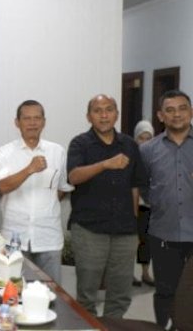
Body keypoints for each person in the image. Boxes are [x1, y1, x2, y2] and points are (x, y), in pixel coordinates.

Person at [67, 94, 148, 318]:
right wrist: (105, 164)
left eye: (109, 109)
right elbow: (73, 177)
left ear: (116, 114)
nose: (104, 115)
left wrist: (134, 223)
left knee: (121, 291)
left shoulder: (130, 145)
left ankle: (112, 325)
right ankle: (89, 326)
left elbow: (135, 186)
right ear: (88, 116)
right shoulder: (80, 143)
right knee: (87, 291)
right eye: (98, 110)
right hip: (89, 228)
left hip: (125, 229)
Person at [0, 100, 73, 282]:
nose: (32, 123)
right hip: (14, 235)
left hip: (49, 235)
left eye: (37, 118)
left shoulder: (57, 151)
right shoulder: (4, 153)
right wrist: (29, 169)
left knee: (52, 294)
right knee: (13, 291)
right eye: (27, 118)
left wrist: (46, 208)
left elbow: (61, 188)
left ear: (44, 122)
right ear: (17, 122)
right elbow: (2, 187)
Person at [140, 90, 193, 328]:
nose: (177, 114)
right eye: (170, 110)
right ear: (161, 116)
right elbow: (142, 187)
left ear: (190, 112)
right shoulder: (148, 150)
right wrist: (160, 199)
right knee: (165, 291)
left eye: (182, 108)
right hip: (163, 232)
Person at [132, 120, 155, 287]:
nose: (145, 141)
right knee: (132, 240)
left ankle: (146, 273)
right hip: (131, 205)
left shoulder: (156, 156)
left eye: (149, 138)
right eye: (142, 137)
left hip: (149, 206)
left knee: (146, 241)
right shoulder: (130, 154)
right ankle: (130, 274)